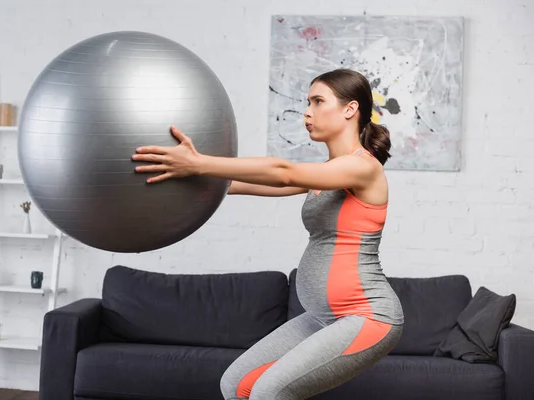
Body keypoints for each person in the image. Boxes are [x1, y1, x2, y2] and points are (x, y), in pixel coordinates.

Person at [132, 68, 404, 400]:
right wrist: (182, 177)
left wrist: (200, 163)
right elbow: (240, 185)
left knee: (269, 392)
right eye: (308, 102)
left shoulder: (363, 167)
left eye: (319, 101)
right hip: (323, 317)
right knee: (237, 385)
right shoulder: (325, 173)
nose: (308, 111)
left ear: (350, 109)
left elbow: (282, 172)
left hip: (367, 317)